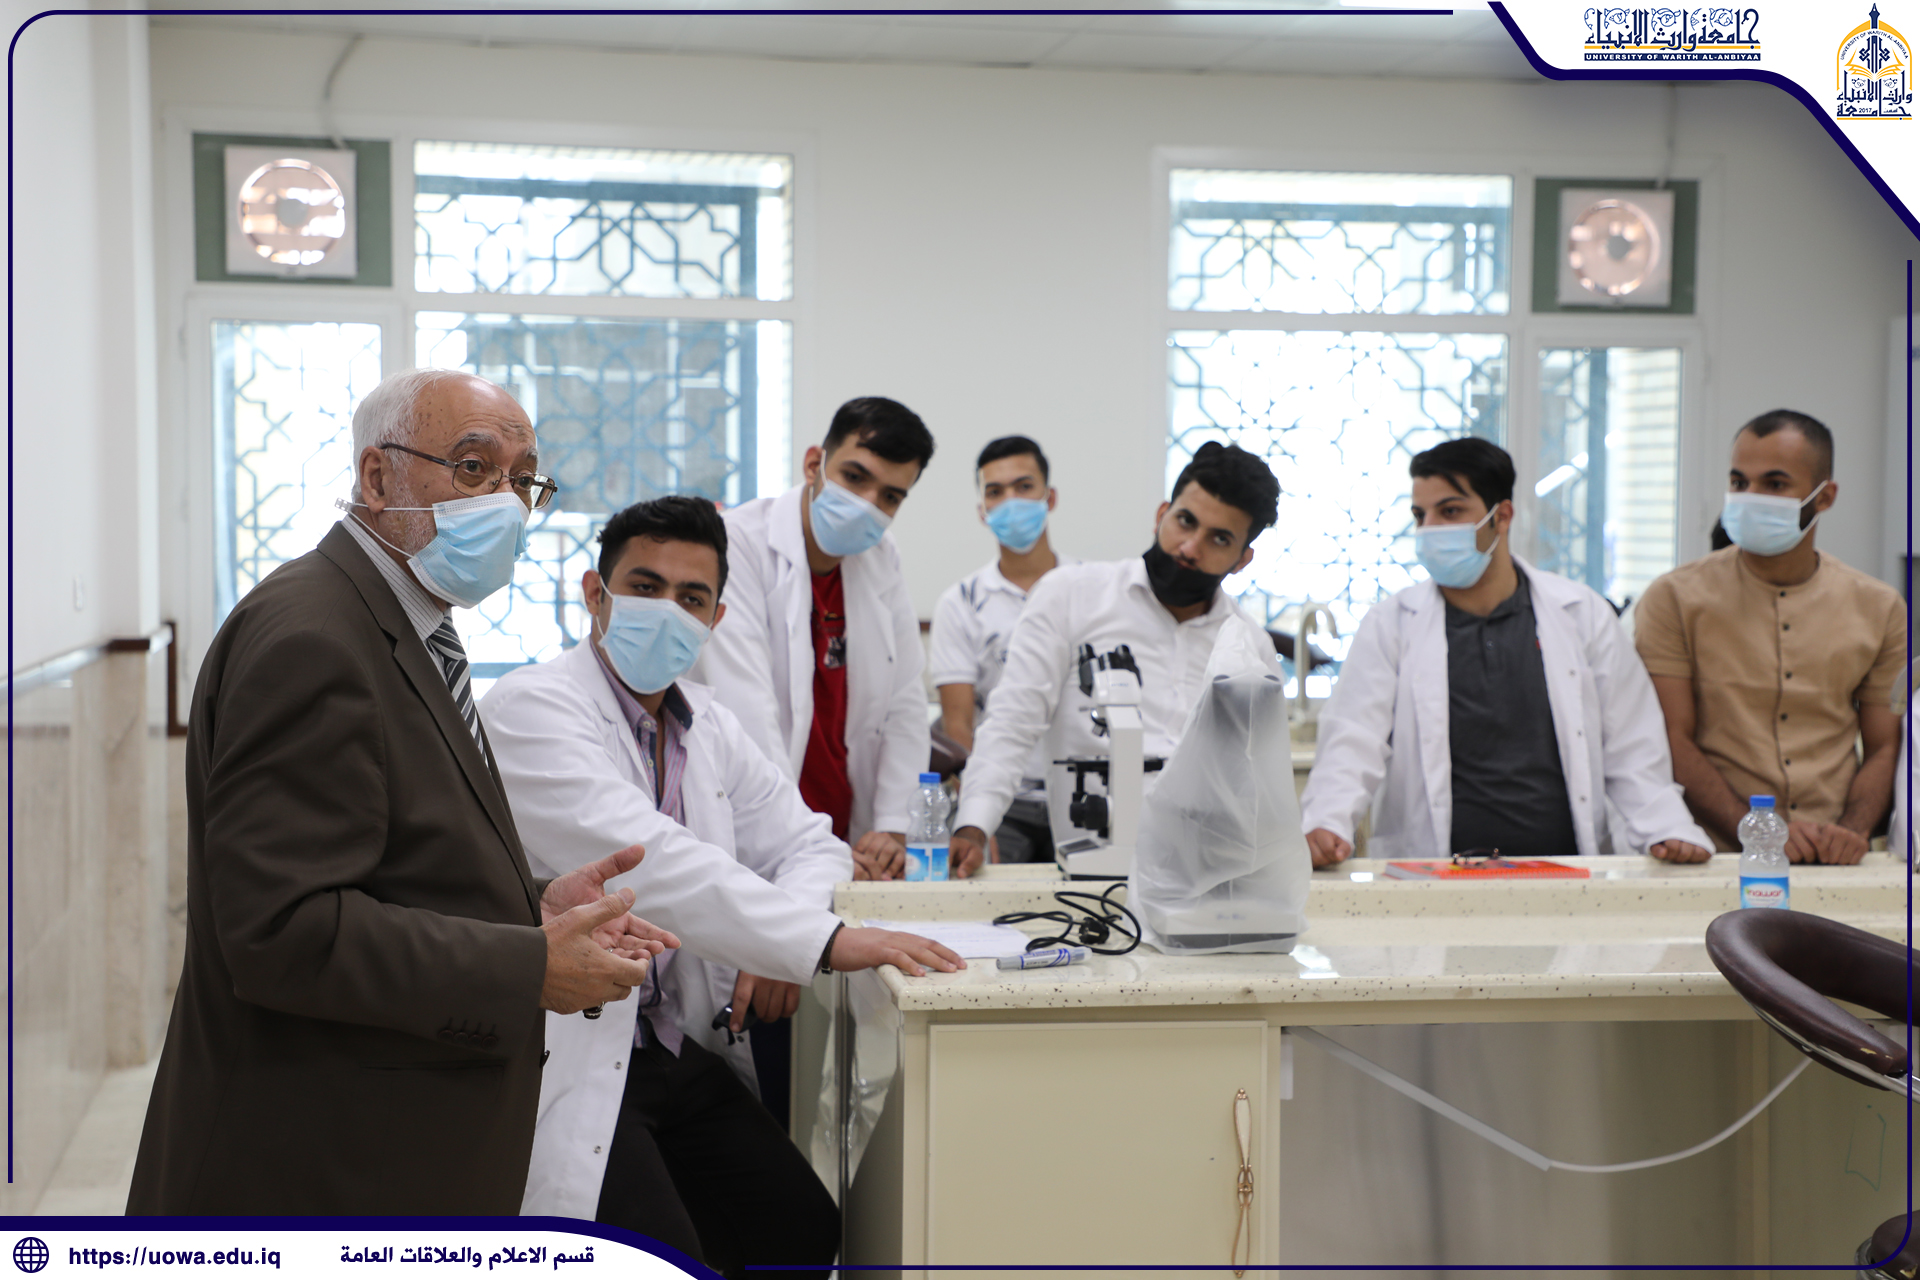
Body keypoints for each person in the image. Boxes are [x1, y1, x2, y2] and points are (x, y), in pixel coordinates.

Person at [128, 370, 669, 1215]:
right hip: (315, 1170)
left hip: (382, 1145)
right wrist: (528, 965)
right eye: (473, 468)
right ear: (377, 478)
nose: (507, 503)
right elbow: (283, 931)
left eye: (524, 480)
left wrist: (529, 908)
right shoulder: (315, 639)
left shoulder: (408, 625)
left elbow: (391, 861)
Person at [480, 496, 962, 1277]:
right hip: (575, 1048)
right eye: (645, 587)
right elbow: (651, 861)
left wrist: (777, 945)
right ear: (595, 593)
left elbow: (811, 843)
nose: (667, 611)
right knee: (662, 1257)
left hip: (674, 1045)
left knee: (800, 1228)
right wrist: (821, 941)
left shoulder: (709, 722)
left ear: (715, 619)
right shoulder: (531, 707)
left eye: (692, 597)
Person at [1300, 438, 1711, 868]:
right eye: (1421, 515)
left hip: (1565, 873)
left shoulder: (1581, 614)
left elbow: (1633, 743)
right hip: (1438, 877)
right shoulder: (1392, 623)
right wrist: (1326, 822)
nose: (1430, 529)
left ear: (1503, 516)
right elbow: (1353, 739)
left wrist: (1666, 827)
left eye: (1450, 511)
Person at [948, 442, 1282, 875]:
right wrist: (973, 825)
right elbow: (1012, 723)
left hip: (1202, 874)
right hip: (1088, 871)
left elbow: (1259, 777)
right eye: (1185, 521)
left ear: (1242, 560)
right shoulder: (1072, 596)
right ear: (1162, 514)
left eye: (1219, 539)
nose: (1190, 547)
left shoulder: (1249, 647)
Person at [1635, 410, 1907, 863]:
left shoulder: (1879, 607)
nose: (1750, 497)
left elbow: (1884, 746)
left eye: (1775, 484)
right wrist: (1758, 834)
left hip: (1834, 854)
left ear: (1825, 497)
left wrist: (1852, 830)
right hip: (1715, 855)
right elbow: (1672, 738)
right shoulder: (1674, 598)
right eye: (1739, 482)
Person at [693, 396, 936, 881]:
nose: (868, 504)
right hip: (761, 834)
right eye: (855, 477)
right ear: (813, 464)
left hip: (852, 838)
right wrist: (808, 844)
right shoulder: (737, 544)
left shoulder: (880, 557)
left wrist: (893, 826)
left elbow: (905, 701)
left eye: (890, 496)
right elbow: (749, 713)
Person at [929, 435, 1076, 863]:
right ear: (983, 511)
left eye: (1024, 486)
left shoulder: (1090, 589)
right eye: (995, 491)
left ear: (1050, 497)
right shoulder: (960, 603)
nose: (1011, 501)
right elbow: (958, 725)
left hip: (1082, 795)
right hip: (1004, 804)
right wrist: (976, 817)